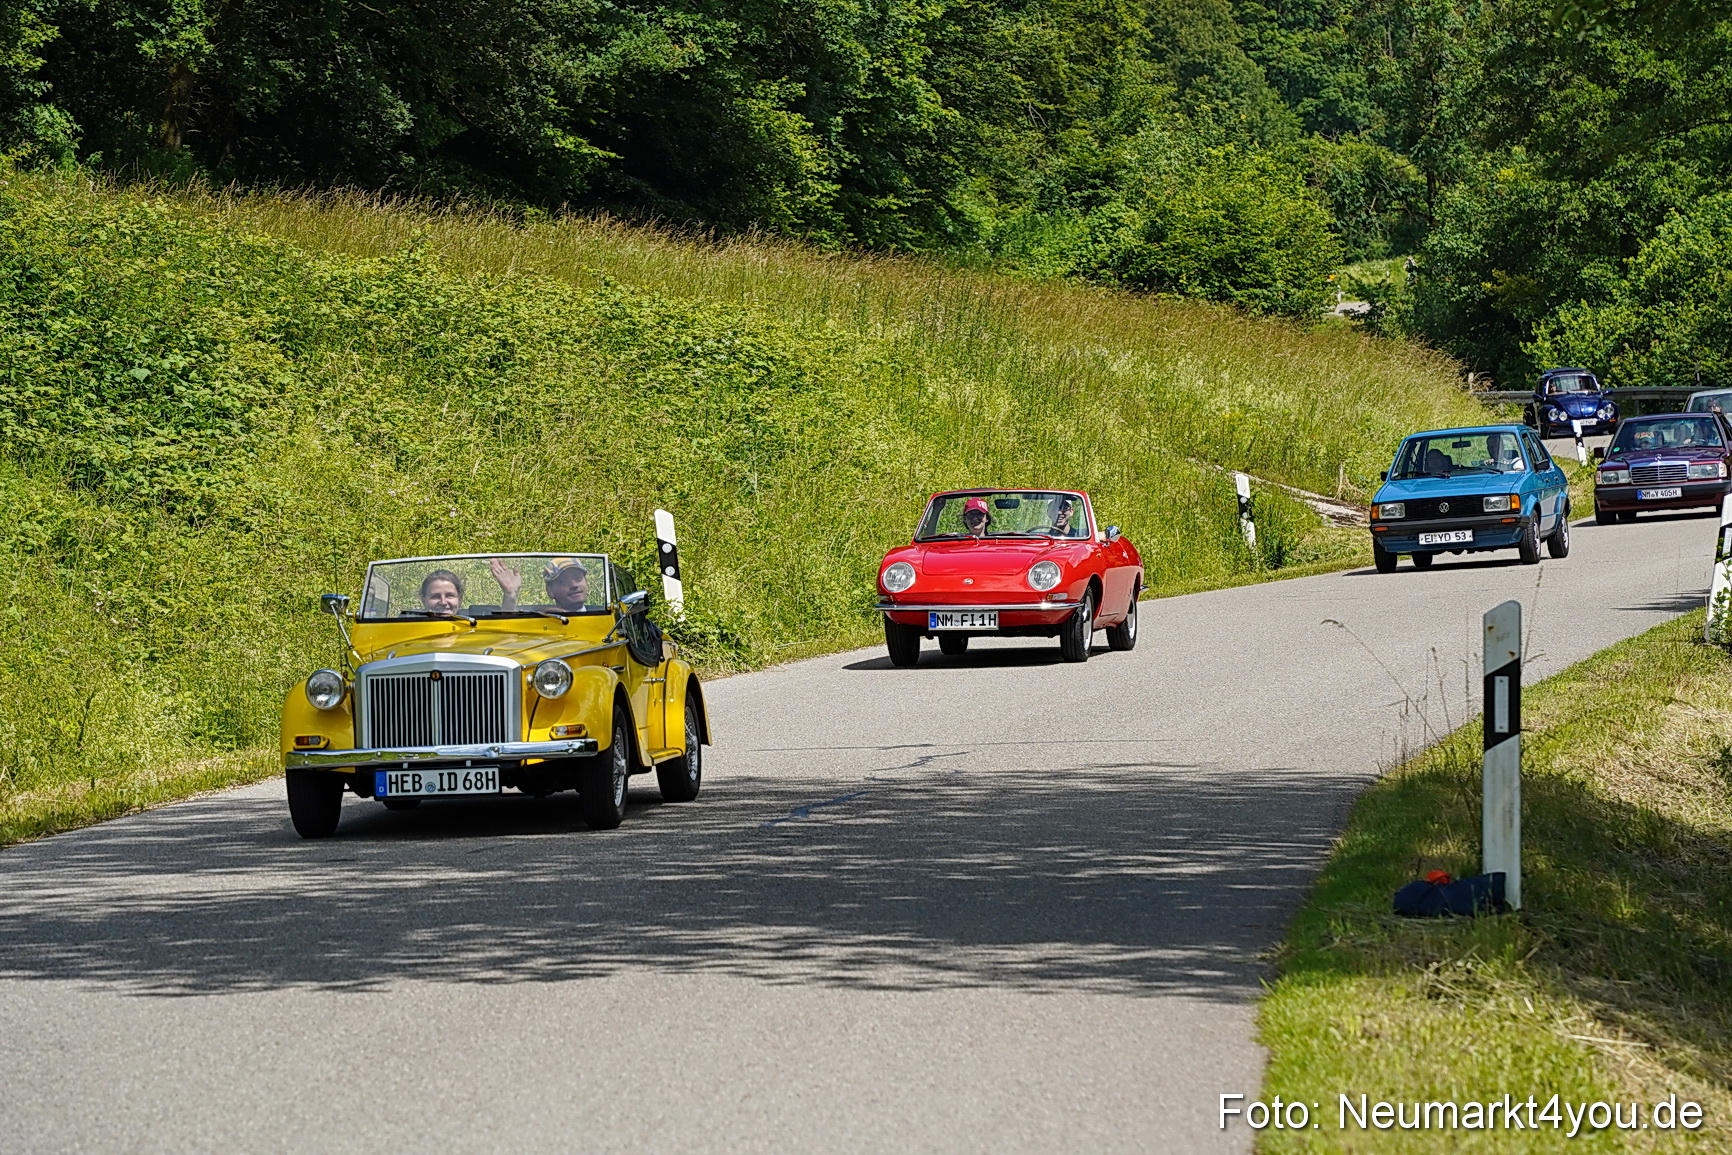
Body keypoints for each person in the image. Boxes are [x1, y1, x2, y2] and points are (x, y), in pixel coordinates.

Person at [490, 556, 594, 613]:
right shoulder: (541, 620)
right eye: (563, 581)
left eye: (578, 578)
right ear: (550, 591)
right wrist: (510, 594)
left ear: (586, 582)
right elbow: (508, 630)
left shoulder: (606, 619)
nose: (574, 585)